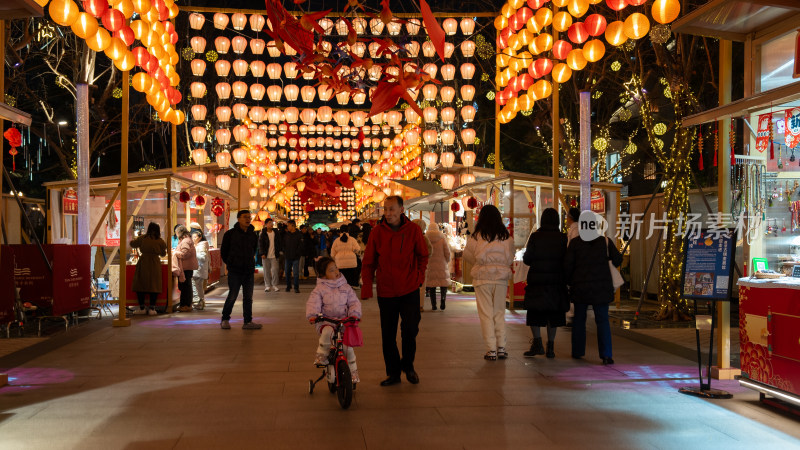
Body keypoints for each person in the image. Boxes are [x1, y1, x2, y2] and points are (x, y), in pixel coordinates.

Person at [362, 195, 429, 386]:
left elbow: (423, 255)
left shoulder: (413, 230)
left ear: (401, 210)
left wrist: (419, 277)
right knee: (388, 334)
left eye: (392, 209)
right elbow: (368, 261)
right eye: (385, 209)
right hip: (386, 291)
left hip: (409, 289)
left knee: (410, 329)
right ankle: (393, 373)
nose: (388, 213)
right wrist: (367, 286)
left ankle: (408, 366)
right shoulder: (377, 232)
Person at [564, 211, 623, 365]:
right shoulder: (605, 241)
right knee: (602, 321)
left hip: (580, 288)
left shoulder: (575, 243)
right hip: (601, 288)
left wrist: (569, 283)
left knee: (579, 320)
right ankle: (606, 355)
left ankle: (577, 351)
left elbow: (568, 266)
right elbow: (617, 259)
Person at [463, 204, 515, 361]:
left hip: (482, 278)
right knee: (499, 312)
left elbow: (467, 256)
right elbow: (510, 258)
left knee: (486, 314)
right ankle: (501, 347)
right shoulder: (507, 237)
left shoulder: (476, 236)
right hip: (501, 279)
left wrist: (480, 265)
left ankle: (491, 349)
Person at [305, 256, 362, 384]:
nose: (336, 271)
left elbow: (354, 302)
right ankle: (322, 355)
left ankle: (353, 373)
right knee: (327, 333)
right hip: (326, 321)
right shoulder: (319, 289)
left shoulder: (346, 287)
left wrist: (354, 314)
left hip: (344, 321)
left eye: (336, 268)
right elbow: (313, 303)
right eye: (331, 270)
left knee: (348, 349)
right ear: (323, 275)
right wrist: (313, 315)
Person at [522, 208, 568, 358]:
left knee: (535, 312)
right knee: (553, 314)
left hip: (537, 281)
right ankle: (551, 347)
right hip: (556, 281)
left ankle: (537, 344)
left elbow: (527, 259)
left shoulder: (535, 237)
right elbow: (566, 260)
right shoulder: (562, 238)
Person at [220, 210, 262, 330]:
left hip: (248, 270)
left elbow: (253, 250)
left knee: (248, 297)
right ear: (238, 219)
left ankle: (248, 321)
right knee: (232, 295)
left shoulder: (252, 235)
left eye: (249, 217)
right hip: (235, 270)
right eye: (245, 217)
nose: (247, 219)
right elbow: (224, 251)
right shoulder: (230, 234)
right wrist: (231, 263)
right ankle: (225, 319)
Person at [130, 222, 167, 315]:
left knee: (140, 285)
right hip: (155, 264)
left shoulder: (143, 238)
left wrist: (135, 238)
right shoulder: (161, 241)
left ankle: (142, 308)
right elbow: (163, 254)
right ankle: (152, 308)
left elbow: (132, 244)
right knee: (154, 285)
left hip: (143, 262)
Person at [425, 222, 451, 311]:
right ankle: (443, 298)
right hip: (441, 263)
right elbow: (447, 251)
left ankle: (434, 305)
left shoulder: (425, 238)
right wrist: (447, 260)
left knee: (432, 285)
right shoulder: (442, 238)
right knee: (443, 283)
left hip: (430, 264)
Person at [173, 225, 198, 313]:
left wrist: (175, 253)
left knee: (185, 286)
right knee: (187, 286)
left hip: (186, 266)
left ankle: (185, 305)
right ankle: (187, 304)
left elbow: (184, 253)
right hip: (188, 266)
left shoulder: (185, 241)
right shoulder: (187, 239)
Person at [412, 219, 433, 312]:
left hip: (410, 265)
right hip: (422, 265)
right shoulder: (424, 238)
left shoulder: (408, 237)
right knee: (421, 286)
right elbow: (430, 251)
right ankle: (420, 305)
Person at [565, 207, 580, 326]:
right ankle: (571, 314)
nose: (566, 218)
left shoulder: (575, 229)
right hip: (575, 263)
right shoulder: (574, 228)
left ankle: (572, 314)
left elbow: (573, 247)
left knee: (572, 289)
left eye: (567, 215)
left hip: (574, 264)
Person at [258, 218, 281, 292]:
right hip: (266, 255)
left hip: (274, 255)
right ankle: (267, 285)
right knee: (266, 271)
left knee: (275, 270)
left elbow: (279, 242)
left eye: (272, 223)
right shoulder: (263, 233)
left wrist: (279, 250)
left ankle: (275, 285)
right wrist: (262, 253)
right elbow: (260, 244)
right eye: (269, 223)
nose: (271, 224)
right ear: (266, 224)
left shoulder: (276, 232)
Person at [282, 219, 303, 293]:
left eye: (288, 225)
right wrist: (285, 252)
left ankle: (296, 287)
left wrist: (297, 254)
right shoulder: (286, 235)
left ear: (292, 225)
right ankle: (288, 286)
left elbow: (300, 246)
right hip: (287, 256)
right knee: (287, 272)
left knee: (295, 273)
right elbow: (283, 244)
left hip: (296, 257)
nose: (287, 227)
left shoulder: (299, 235)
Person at [191, 230, 209, 310]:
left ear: (200, 237)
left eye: (195, 237)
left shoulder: (201, 246)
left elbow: (203, 258)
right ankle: (200, 301)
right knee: (198, 286)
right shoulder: (198, 245)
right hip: (198, 269)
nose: (193, 238)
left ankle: (200, 301)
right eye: (192, 237)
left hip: (199, 269)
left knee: (198, 286)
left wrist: (194, 254)